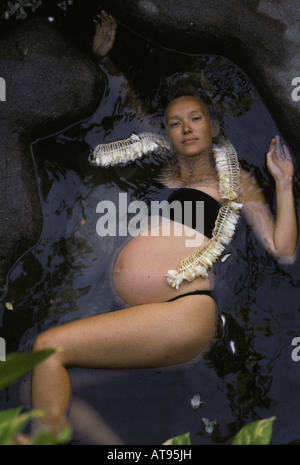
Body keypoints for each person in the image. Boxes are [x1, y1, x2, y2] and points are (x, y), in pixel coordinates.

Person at [30, 11, 298, 435]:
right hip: (148, 311)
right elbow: (130, 107)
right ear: (168, 133)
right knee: (58, 387)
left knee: (46, 350)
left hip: (181, 312)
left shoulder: (235, 181)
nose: (186, 128)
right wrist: (106, 61)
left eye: (195, 118)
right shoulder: (165, 167)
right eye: (175, 123)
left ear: (212, 124)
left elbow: (282, 250)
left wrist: (283, 183)